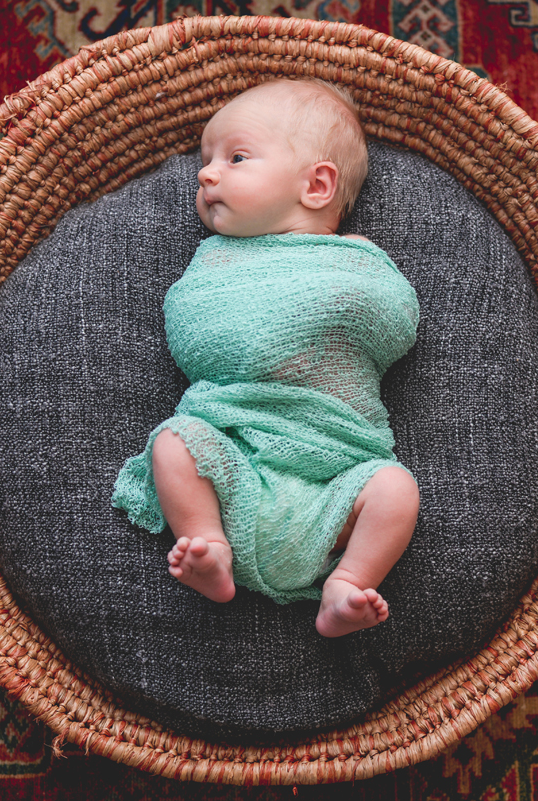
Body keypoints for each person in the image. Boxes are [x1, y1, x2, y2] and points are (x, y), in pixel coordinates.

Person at [112, 78, 419, 637]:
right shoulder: (212, 263)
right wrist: (261, 338)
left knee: (396, 489)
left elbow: (395, 327)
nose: (205, 174)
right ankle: (209, 545)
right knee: (175, 442)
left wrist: (328, 308)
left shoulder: (358, 258)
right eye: (207, 160)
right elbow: (192, 332)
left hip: (337, 471)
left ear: (317, 185)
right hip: (235, 453)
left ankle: (347, 581)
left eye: (236, 157)